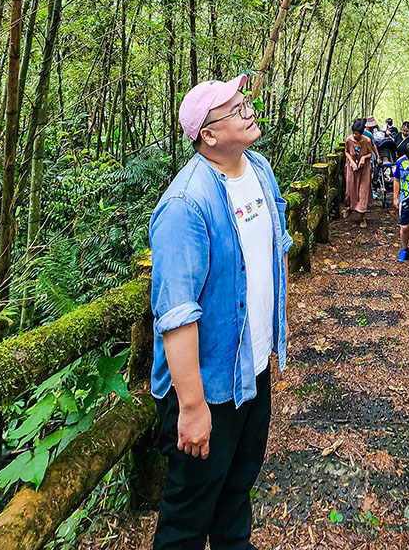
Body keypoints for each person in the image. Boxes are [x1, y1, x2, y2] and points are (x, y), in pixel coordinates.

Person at [149, 74, 293, 550]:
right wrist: (191, 408)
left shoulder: (259, 169)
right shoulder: (186, 205)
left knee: (236, 493)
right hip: (206, 388)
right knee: (188, 514)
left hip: (251, 372)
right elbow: (176, 314)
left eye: (244, 100)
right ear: (208, 136)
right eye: (235, 109)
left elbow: (271, 255)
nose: (248, 110)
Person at [344, 117, 373, 227]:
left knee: (363, 192)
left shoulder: (367, 140)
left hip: (364, 170)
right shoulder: (348, 140)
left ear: (362, 133)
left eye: (357, 134)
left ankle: (362, 217)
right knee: (351, 191)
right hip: (352, 170)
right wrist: (351, 161)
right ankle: (351, 208)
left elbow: (370, 154)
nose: (355, 136)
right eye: (354, 133)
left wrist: (363, 158)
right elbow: (346, 152)